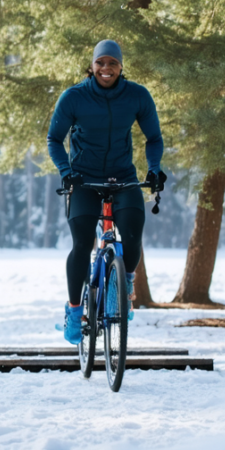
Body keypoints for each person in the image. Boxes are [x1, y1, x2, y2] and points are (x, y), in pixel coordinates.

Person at [47, 40, 164, 345]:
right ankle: (74, 311)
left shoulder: (137, 96)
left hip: (122, 177)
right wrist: (66, 172)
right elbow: (54, 139)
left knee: (134, 234)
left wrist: (153, 167)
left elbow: (153, 137)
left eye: (112, 63)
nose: (106, 69)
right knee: (83, 243)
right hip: (83, 180)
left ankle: (124, 284)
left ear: (121, 66)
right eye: (101, 63)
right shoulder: (74, 97)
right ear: (93, 65)